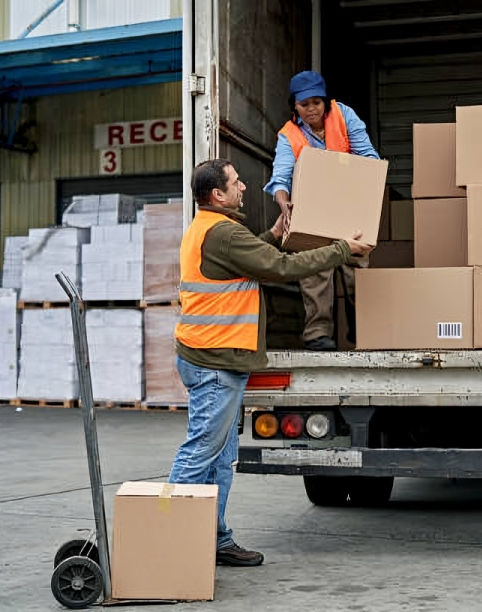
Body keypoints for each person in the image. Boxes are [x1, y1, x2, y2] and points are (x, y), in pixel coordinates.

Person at [169, 158, 373, 567]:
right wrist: (341, 251)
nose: (243, 186)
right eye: (236, 181)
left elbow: (246, 262)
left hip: (209, 356)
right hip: (215, 362)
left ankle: (215, 539)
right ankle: (169, 548)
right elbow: (279, 269)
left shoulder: (208, 228)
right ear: (217, 195)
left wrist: (274, 236)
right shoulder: (223, 232)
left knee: (221, 458)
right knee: (199, 455)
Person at [263, 69, 381, 351]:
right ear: (295, 106)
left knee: (356, 269)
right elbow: (280, 177)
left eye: (317, 102)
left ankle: (362, 326)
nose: (311, 109)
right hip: (311, 209)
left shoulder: (343, 115)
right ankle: (317, 335)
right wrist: (284, 202)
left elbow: (369, 157)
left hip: (349, 203)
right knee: (314, 270)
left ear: (325, 101)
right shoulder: (288, 135)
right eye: (305, 104)